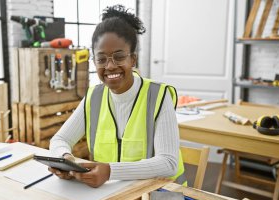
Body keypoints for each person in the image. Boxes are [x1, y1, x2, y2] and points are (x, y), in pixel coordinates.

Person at [49, 4, 185, 188]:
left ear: (133, 59)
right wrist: (65, 160)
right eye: (102, 59)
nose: (110, 66)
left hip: (161, 196)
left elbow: (168, 163)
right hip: (110, 194)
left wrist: (110, 171)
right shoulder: (93, 97)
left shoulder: (159, 96)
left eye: (119, 57)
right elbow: (59, 140)